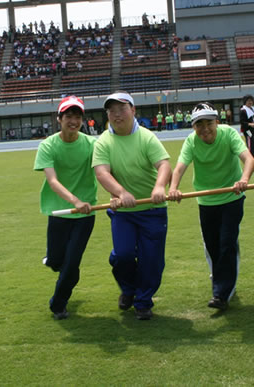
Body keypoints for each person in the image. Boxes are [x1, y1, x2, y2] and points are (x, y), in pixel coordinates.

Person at [168, 102, 254, 311]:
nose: (204, 129)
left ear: (217, 121)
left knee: (226, 242)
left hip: (232, 197)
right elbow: (180, 167)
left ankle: (221, 293)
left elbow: (248, 159)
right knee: (213, 246)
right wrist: (173, 188)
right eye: (199, 124)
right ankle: (222, 285)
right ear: (193, 127)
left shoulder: (228, 134)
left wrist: (243, 179)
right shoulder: (191, 141)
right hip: (206, 201)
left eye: (208, 123)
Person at [92, 91, 171, 320]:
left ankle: (143, 301)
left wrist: (159, 187)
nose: (117, 115)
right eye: (111, 111)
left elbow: (164, 164)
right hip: (123, 211)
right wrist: (121, 192)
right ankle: (128, 289)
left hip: (152, 211)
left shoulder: (146, 137)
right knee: (123, 255)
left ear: (133, 110)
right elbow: (102, 173)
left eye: (122, 109)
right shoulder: (103, 141)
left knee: (152, 260)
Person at [34, 96, 98, 320]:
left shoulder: (92, 145)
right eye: (68, 116)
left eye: (77, 117)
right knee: (57, 261)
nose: (73, 121)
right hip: (58, 211)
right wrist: (75, 201)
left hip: (85, 213)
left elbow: (105, 172)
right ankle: (55, 262)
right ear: (59, 119)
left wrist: (120, 195)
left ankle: (58, 304)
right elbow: (53, 181)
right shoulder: (48, 145)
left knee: (72, 264)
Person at [240, 95, 254, 164]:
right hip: (248, 131)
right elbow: (242, 122)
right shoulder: (243, 111)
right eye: (248, 101)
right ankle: (251, 163)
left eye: (251, 100)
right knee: (251, 147)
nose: (250, 102)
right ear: (245, 102)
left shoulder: (253, 109)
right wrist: (250, 124)